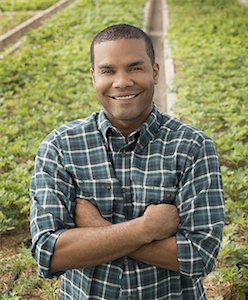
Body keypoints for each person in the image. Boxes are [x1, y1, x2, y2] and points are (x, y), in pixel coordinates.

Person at [29, 23, 225, 299]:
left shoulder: (192, 147)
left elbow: (200, 256)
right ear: (93, 77)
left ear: (155, 71)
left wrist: (96, 229)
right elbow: (49, 253)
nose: (122, 82)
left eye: (135, 67)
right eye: (108, 71)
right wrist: (145, 229)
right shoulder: (60, 146)